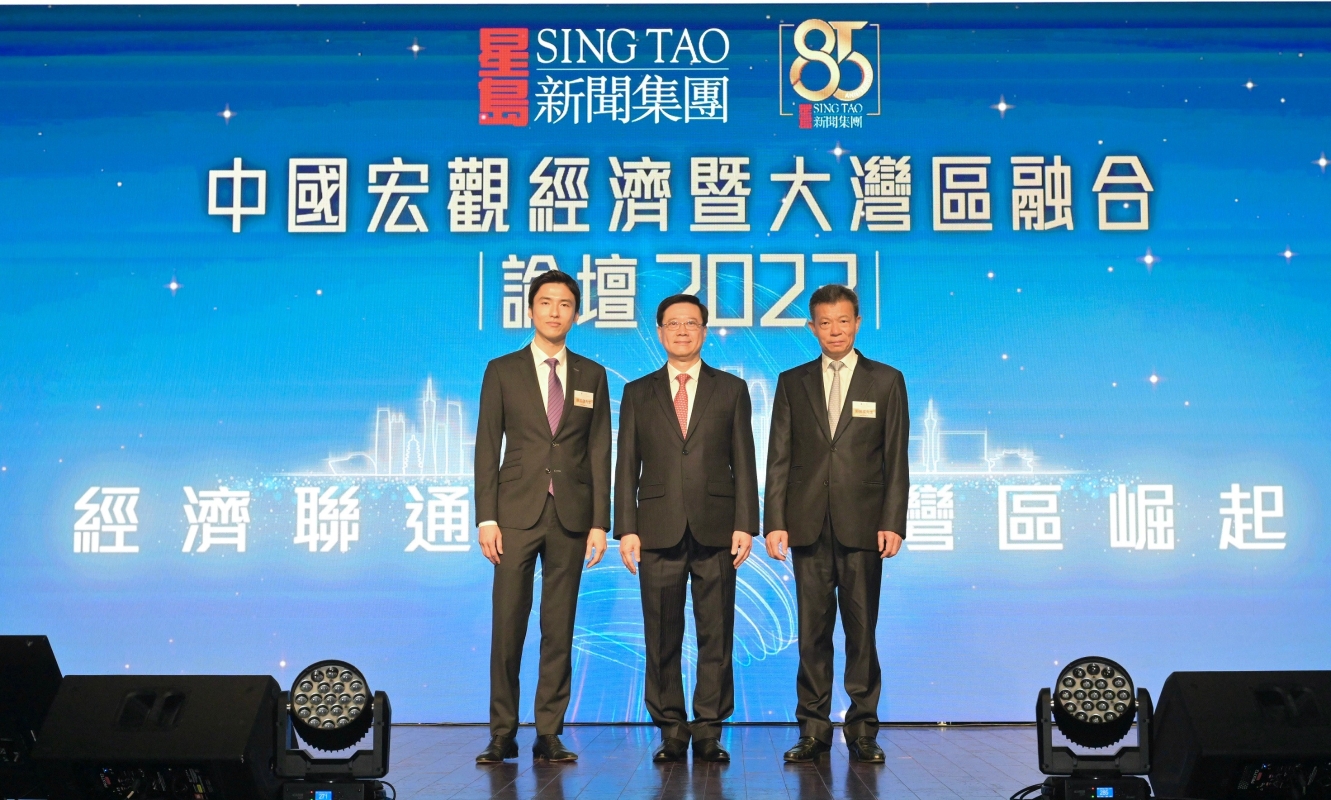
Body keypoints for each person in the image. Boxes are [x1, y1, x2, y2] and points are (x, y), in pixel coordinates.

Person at [763, 284, 910, 764]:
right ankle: (813, 729)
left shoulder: (886, 380)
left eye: (843, 321)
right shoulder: (793, 381)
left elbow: (896, 458)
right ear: (812, 327)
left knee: (862, 632)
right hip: (807, 525)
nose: (834, 331)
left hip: (864, 526)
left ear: (857, 323)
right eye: (824, 323)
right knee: (812, 633)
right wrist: (775, 521)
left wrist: (893, 520)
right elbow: (779, 457)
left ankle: (863, 729)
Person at [472, 270, 611, 764]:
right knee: (508, 624)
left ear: (576, 313)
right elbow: (486, 447)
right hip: (514, 514)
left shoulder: (592, 374)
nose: (555, 312)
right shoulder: (502, 370)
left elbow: (600, 451)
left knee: (559, 626)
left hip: (572, 515)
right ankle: (502, 732)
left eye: (565, 304)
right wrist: (486, 518)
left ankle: (549, 731)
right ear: (530, 310)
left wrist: (600, 522)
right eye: (546, 302)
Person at [614, 294, 760, 763]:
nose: (682, 331)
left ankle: (709, 729)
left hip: (717, 528)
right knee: (661, 635)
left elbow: (744, 460)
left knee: (716, 634)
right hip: (656, 529)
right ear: (659, 332)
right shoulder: (638, 392)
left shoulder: (731, 389)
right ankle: (671, 729)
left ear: (704, 331)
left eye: (691, 323)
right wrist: (626, 527)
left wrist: (746, 523)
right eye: (673, 323)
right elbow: (626, 464)